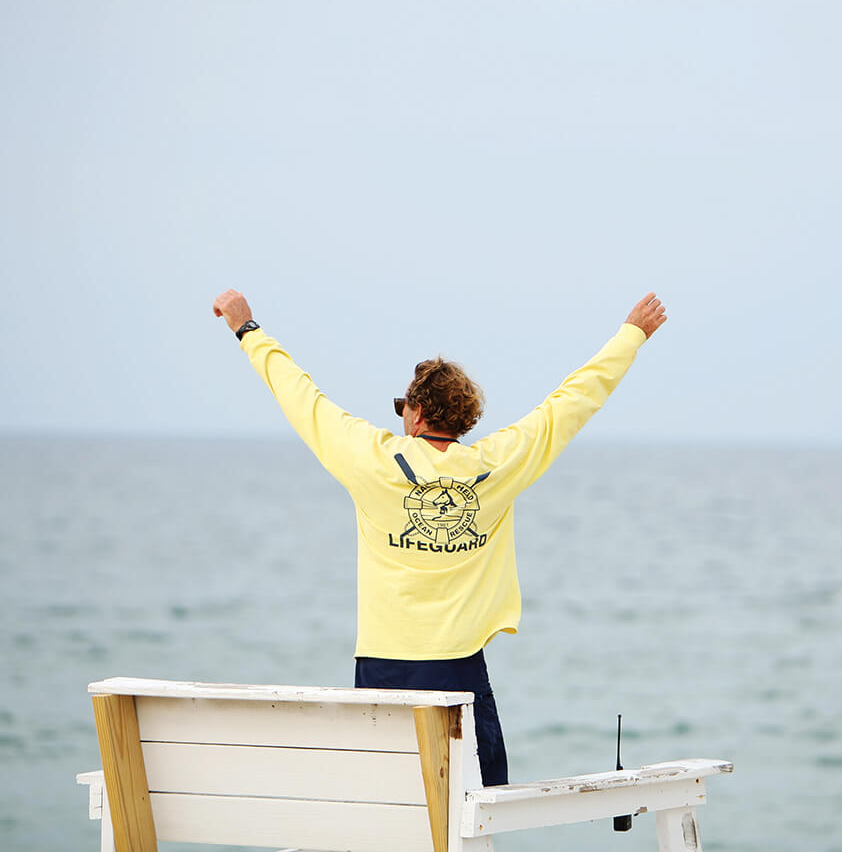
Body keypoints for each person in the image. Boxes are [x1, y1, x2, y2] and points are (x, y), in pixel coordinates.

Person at [211, 288, 667, 785]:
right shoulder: (496, 467)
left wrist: (247, 330)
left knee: (388, 808)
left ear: (417, 412)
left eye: (402, 405)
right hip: (458, 671)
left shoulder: (372, 460)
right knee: (476, 805)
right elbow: (573, 401)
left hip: (382, 667)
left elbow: (300, 396)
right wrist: (631, 335)